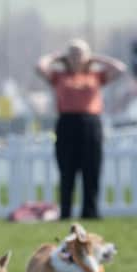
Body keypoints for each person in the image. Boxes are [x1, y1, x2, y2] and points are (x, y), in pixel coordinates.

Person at [37, 39, 126, 220]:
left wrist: (96, 58)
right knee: (67, 171)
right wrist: (57, 57)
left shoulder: (96, 76)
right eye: (72, 53)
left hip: (90, 124)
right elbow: (40, 66)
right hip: (67, 124)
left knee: (91, 171)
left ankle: (90, 213)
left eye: (80, 53)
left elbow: (120, 68)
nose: (76, 57)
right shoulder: (59, 77)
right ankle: (66, 213)